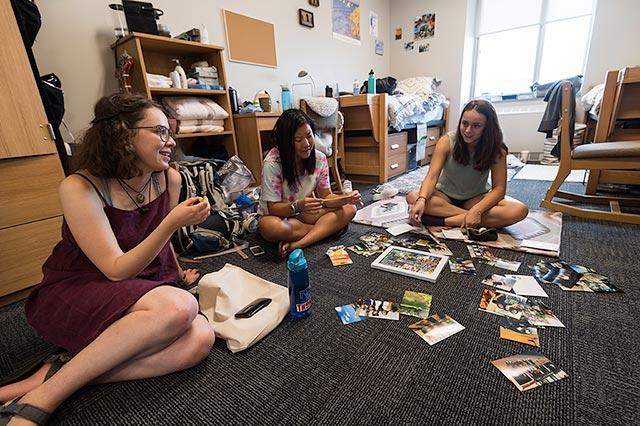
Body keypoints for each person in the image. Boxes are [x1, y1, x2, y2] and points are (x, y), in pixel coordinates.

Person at [0, 94, 214, 424]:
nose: (169, 141)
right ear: (122, 133)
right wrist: (171, 222)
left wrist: (175, 272)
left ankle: (57, 374)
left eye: (170, 132)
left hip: (138, 281)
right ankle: (44, 397)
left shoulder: (168, 177)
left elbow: (160, 246)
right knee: (180, 308)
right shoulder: (80, 186)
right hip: (79, 288)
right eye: (159, 131)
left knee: (201, 337)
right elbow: (115, 270)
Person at [407, 99, 528, 229]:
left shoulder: (498, 149)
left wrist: (477, 210)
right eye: (465, 124)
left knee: (519, 210)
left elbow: (499, 189)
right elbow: (432, 176)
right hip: (444, 196)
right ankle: (470, 219)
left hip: (476, 198)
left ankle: (444, 221)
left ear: (487, 128)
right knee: (413, 196)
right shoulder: (446, 141)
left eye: (476, 126)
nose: (468, 130)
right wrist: (422, 200)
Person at [258, 109, 361, 258]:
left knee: (350, 208)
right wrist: (297, 206)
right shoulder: (273, 164)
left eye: (309, 136)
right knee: (269, 227)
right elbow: (273, 208)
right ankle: (327, 229)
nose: (306, 144)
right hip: (281, 215)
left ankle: (298, 244)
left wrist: (345, 198)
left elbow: (325, 196)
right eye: (298, 140)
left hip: (305, 215)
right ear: (286, 142)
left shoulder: (319, 158)